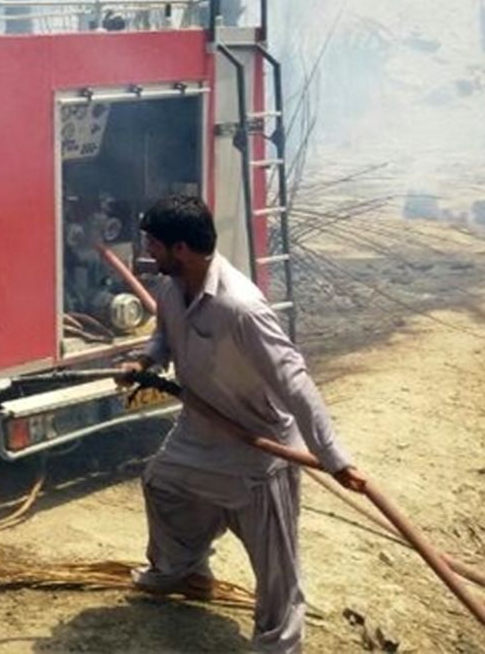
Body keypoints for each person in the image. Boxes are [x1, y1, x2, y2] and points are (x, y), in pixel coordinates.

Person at [119, 194, 366, 653]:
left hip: (257, 449)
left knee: (277, 571)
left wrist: (334, 459)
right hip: (197, 432)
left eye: (154, 244)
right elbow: (163, 336)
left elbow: (296, 383)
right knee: (162, 485)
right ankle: (186, 572)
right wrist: (143, 359)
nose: (147, 252)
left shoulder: (242, 308)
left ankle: (278, 645)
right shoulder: (173, 290)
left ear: (182, 249)